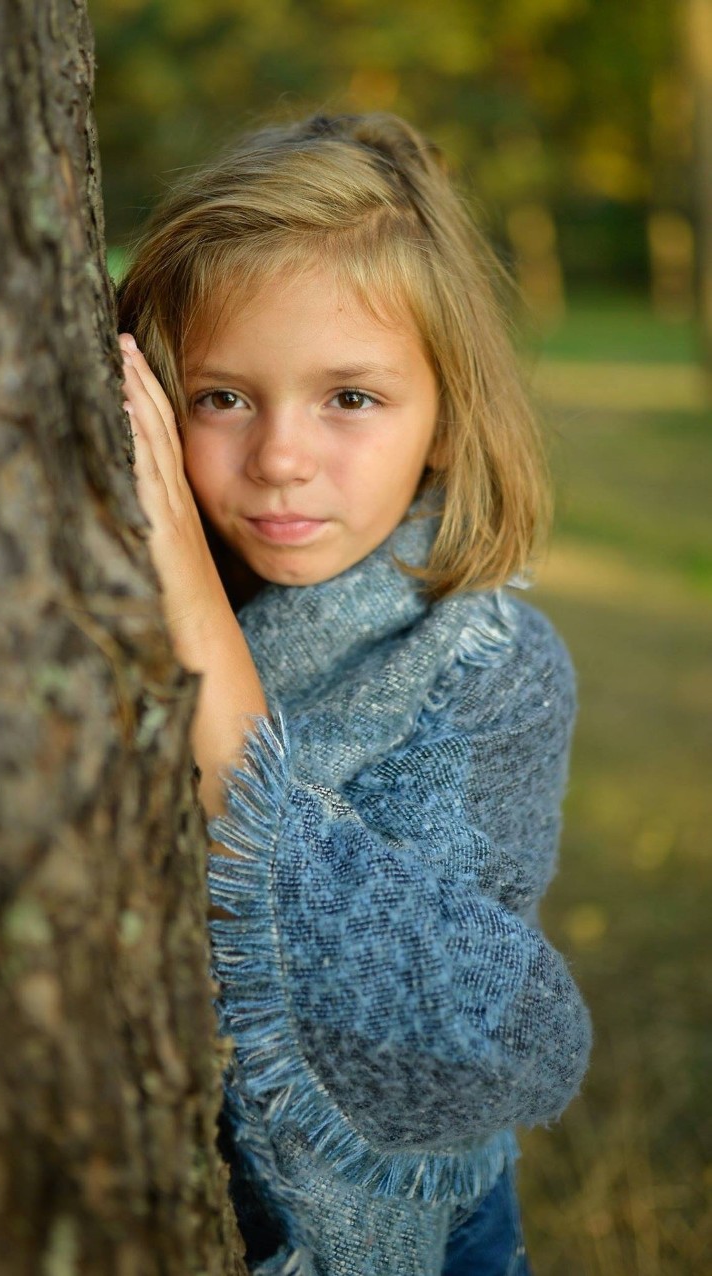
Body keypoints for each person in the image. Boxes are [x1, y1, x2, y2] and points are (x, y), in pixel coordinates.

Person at [114, 111, 592, 1276]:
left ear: (443, 420)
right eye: (224, 396)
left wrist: (213, 663)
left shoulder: (488, 666)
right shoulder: (90, 610)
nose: (280, 454)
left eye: (351, 399)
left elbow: (508, 1041)